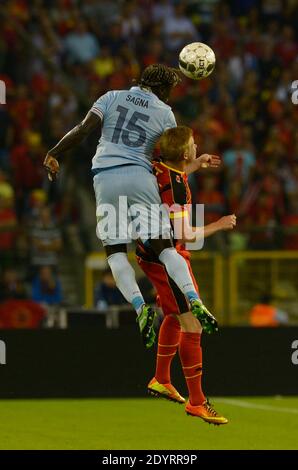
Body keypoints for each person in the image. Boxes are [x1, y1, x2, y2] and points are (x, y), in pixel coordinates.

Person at [43, 64, 220, 349]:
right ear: (162, 89)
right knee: (165, 248)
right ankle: (195, 300)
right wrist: (195, 164)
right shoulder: (164, 113)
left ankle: (140, 307)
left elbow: (82, 130)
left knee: (114, 253)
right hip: (140, 177)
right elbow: (172, 158)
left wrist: (54, 153)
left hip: (105, 177)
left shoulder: (111, 96)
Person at [136, 126, 236, 424]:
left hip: (148, 251)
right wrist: (219, 224)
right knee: (193, 325)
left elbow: (171, 179)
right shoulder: (177, 187)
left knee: (172, 314)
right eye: (194, 145)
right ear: (184, 152)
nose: (196, 147)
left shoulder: (158, 168)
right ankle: (197, 401)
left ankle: (161, 378)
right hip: (167, 257)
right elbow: (186, 233)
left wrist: (194, 165)